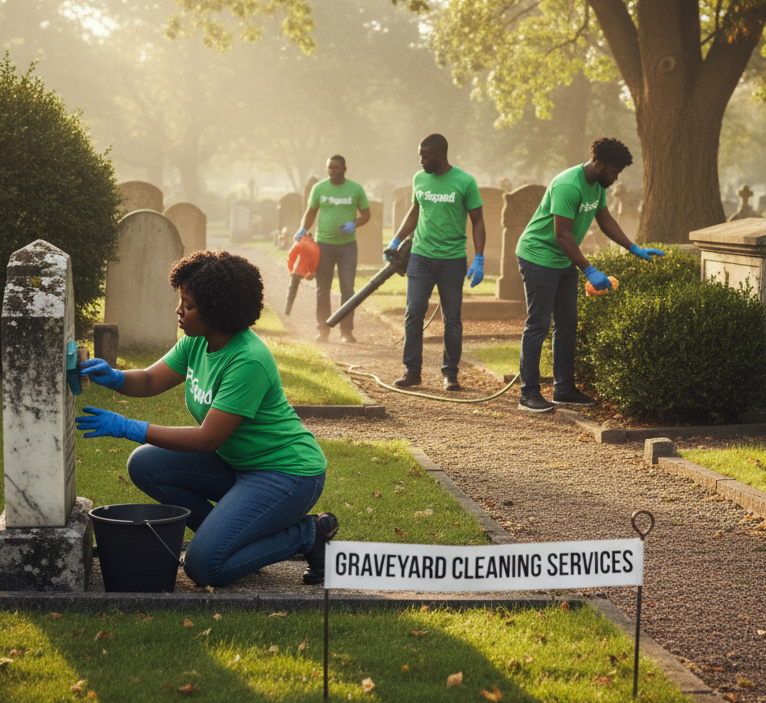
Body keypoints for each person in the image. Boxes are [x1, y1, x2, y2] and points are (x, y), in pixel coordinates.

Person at [76, 250, 338, 587]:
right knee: (145, 464)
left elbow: (207, 439)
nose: (179, 310)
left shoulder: (248, 360)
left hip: (286, 475)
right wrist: (115, 377)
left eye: (188, 304)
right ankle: (235, 539)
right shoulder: (196, 342)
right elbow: (153, 379)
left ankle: (307, 535)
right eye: (181, 300)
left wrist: (129, 427)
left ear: (216, 311)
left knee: (204, 567)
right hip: (237, 465)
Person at [514, 137, 664, 413]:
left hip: (563, 258)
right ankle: (529, 394)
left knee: (568, 323)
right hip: (538, 255)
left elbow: (604, 218)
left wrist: (632, 247)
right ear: (598, 162)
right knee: (538, 324)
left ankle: (563, 389)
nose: (615, 178)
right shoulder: (568, 186)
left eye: (618, 173)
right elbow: (562, 235)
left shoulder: (597, 185)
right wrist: (589, 269)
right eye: (613, 172)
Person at [385, 133, 485, 391]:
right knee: (414, 311)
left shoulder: (465, 181)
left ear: (440, 155)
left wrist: (480, 257)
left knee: (452, 318)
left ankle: (450, 374)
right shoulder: (419, 179)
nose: (421, 160)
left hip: (452, 259)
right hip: (420, 256)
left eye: (425, 156)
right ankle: (412, 370)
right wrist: (396, 240)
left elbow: (478, 221)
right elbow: (415, 210)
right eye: (420, 155)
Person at [294, 155, 370, 343]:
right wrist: (303, 229)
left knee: (347, 288)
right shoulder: (319, 188)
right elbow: (310, 212)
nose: (333, 171)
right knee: (323, 288)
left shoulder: (356, 189)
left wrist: (355, 224)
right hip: (324, 245)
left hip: (347, 246)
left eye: (336, 168)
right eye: (330, 168)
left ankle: (346, 331)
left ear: (344, 168)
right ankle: (324, 330)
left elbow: (367, 214)